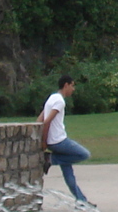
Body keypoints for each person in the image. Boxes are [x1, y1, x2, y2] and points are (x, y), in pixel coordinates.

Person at [39, 76, 92, 205]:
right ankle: (50, 159)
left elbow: (40, 119)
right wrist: (43, 142)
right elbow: (46, 122)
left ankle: (81, 201)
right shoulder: (60, 101)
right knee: (84, 154)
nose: (73, 89)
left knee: (68, 171)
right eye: (72, 86)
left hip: (54, 141)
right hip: (58, 141)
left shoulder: (51, 98)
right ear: (66, 85)